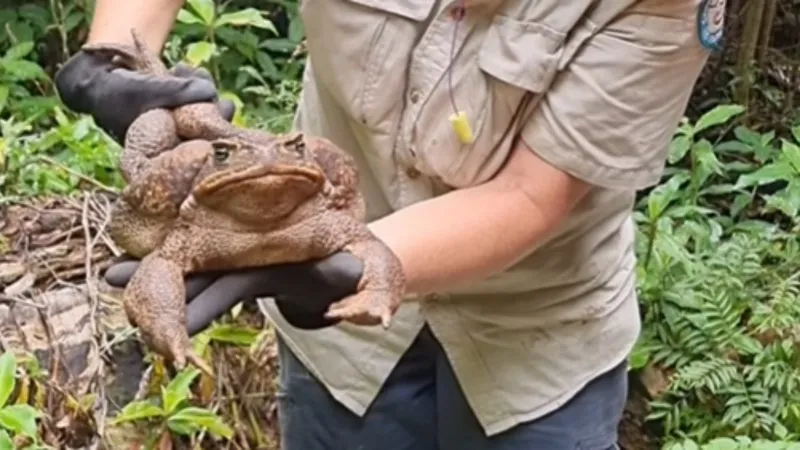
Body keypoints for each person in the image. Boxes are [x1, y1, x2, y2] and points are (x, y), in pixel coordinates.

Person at [55, 0, 721, 448]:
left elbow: (530, 195)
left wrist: (326, 258)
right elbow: (159, 247)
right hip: (342, 344)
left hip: (535, 331)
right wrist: (111, 57)